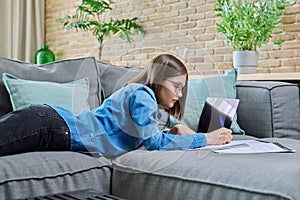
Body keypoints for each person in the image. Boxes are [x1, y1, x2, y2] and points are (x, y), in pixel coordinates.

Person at [0, 54, 232, 157]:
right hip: (51, 125)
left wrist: (175, 130)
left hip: (51, 123)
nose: (179, 95)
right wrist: (207, 138)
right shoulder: (142, 94)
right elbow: (153, 143)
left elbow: (147, 135)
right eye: (176, 86)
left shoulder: (141, 99)